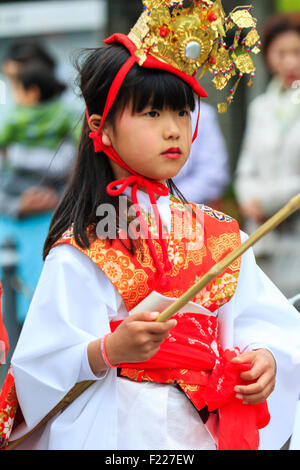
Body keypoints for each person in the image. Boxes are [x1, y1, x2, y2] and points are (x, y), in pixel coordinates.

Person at [1, 2, 300, 452]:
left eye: (182, 113)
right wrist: (108, 350)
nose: (174, 131)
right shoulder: (82, 246)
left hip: (201, 430)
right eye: (152, 114)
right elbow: (40, 365)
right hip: (116, 425)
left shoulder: (221, 236)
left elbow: (266, 322)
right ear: (100, 128)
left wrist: (265, 357)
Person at [0, 61, 79, 323]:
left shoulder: (14, 120)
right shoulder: (66, 116)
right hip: (30, 212)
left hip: (48, 214)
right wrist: (18, 205)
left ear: (32, 91)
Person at [235, 12, 300, 298]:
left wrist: (265, 200)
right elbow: (245, 167)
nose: (289, 61)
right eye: (280, 53)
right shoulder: (260, 107)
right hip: (265, 236)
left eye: (297, 52)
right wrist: (248, 200)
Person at [173, 100, 230, 206]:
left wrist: (165, 200)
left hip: (189, 209)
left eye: (182, 114)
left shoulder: (202, 114)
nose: (172, 132)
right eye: (153, 114)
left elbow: (213, 175)